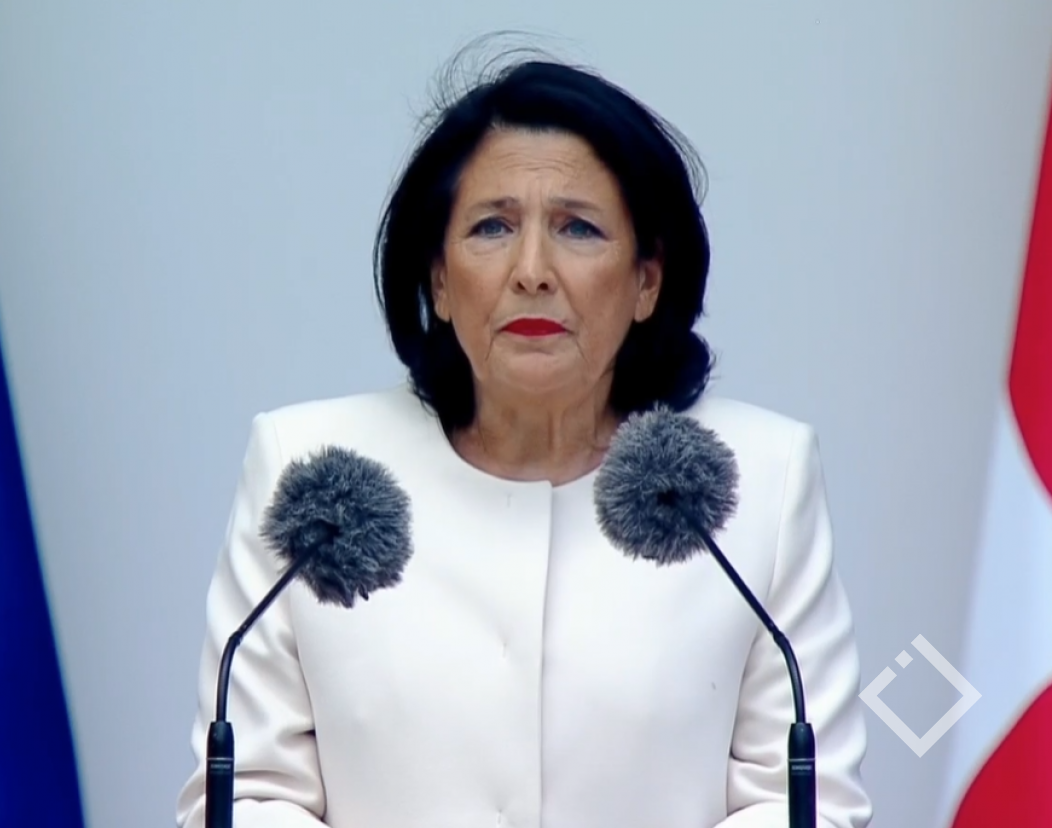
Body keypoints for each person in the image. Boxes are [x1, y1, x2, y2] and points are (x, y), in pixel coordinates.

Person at [176, 54, 872, 828]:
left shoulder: (759, 480)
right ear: (439, 280)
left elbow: (804, 802)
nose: (532, 270)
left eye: (578, 228)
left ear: (647, 280)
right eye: (492, 227)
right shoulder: (309, 474)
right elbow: (251, 795)